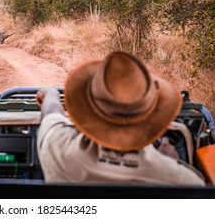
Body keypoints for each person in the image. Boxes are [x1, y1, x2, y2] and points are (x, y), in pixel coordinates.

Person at [36, 51, 205, 186]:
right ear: (152, 117)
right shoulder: (184, 181)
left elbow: (51, 113)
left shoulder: (58, 148)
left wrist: (51, 94)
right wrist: (170, 162)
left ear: (88, 109)